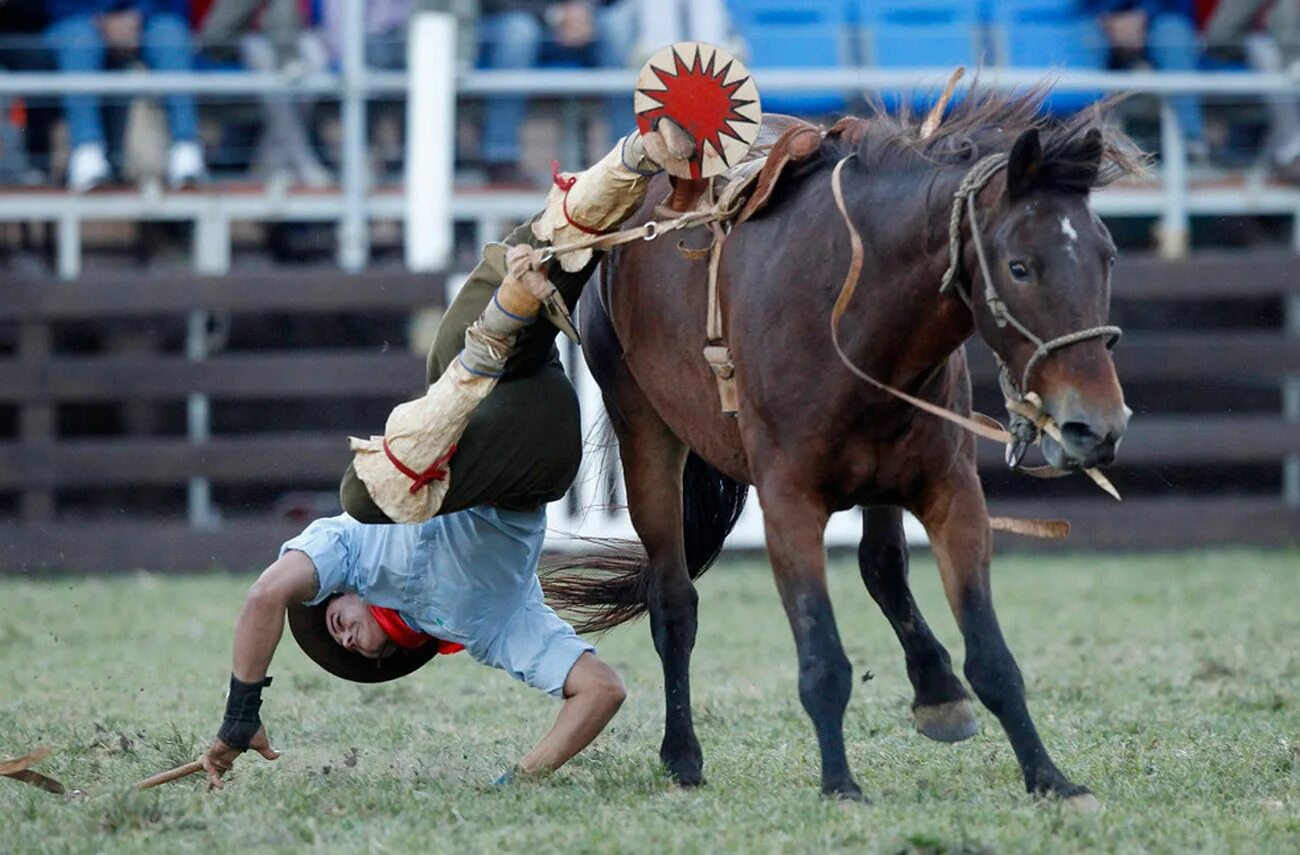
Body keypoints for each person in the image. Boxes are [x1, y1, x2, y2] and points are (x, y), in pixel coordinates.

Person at [201, 114, 701, 790]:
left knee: (530, 266)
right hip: (533, 451)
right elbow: (602, 690)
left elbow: (266, 596)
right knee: (374, 484)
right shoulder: (494, 627)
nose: (342, 632)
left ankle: (634, 159)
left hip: (476, 380)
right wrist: (519, 778)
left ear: (338, 593)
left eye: (335, 620)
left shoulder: (348, 552)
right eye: (348, 643)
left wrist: (241, 714)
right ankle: (494, 338)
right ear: (384, 661)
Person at [44, 0, 207, 190]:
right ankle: (87, 152)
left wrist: (138, 15)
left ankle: (186, 152)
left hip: (147, 19)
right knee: (79, 40)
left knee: (170, 34)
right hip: (78, 21)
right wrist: (100, 18)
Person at [478, 0, 637, 185]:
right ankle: (501, 158)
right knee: (518, 32)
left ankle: (628, 160)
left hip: (587, 19)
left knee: (616, 27)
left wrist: (584, 9)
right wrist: (555, 14)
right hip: (525, 17)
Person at [198, 0, 332, 186]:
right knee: (269, 63)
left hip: (287, 40)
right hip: (239, 41)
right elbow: (214, 33)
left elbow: (308, 17)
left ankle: (274, 163)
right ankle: (302, 161)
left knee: (315, 57)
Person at [1084, 0, 1210, 160]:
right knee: (1085, 36)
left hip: (1156, 19)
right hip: (1100, 22)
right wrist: (1108, 19)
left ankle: (1190, 144)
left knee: (1175, 33)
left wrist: (1143, 16)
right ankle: (1086, 144)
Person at [1206, 0, 1300, 181]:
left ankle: (1286, 153)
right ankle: (1290, 152)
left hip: (1287, 60)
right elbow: (1219, 36)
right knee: (1265, 53)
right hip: (1249, 51)